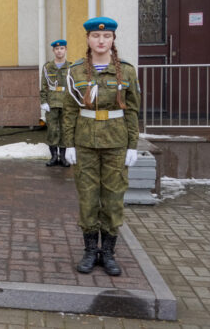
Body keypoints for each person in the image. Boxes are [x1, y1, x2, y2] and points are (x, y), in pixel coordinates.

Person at [62, 17, 140, 276]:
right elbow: (70, 111)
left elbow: (133, 111)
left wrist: (132, 145)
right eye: (95, 36)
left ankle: (107, 253)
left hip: (116, 144)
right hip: (85, 144)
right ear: (88, 39)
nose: (101, 41)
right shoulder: (76, 71)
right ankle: (88, 251)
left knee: (113, 199)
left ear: (113, 40)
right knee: (88, 199)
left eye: (106, 37)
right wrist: (68, 144)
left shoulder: (126, 71)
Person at [40, 39, 70, 167]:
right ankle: (53, 157)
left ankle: (62, 157)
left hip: (66, 103)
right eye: (57, 49)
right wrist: (43, 102)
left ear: (65, 50)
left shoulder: (71, 67)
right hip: (51, 103)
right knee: (52, 130)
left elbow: (74, 87)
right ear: (53, 51)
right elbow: (44, 85)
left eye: (62, 48)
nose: (59, 51)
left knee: (65, 129)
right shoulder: (47, 67)